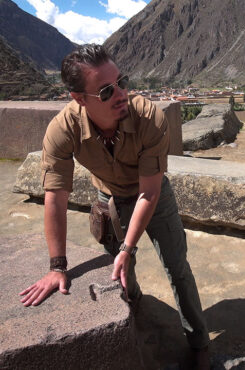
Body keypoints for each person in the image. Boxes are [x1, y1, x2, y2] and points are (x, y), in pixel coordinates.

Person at [19, 44, 210, 368]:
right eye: (107, 90)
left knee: (177, 269)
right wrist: (57, 267)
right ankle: (131, 315)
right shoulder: (62, 130)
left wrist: (128, 246)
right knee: (123, 272)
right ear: (79, 98)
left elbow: (148, 194)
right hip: (108, 198)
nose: (122, 93)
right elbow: (55, 198)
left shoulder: (149, 116)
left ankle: (199, 343)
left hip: (155, 196)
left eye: (122, 81)